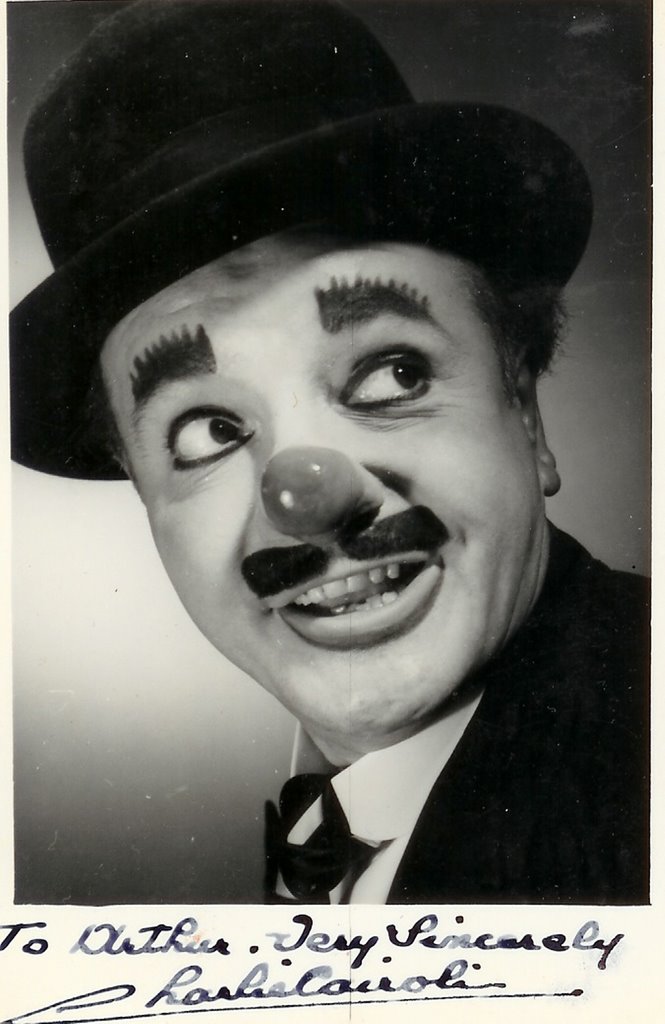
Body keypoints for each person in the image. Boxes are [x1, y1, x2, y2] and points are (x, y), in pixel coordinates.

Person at [10, 0, 649, 904]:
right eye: (208, 431)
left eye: (391, 375)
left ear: (527, 413)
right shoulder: (332, 814)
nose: (305, 497)